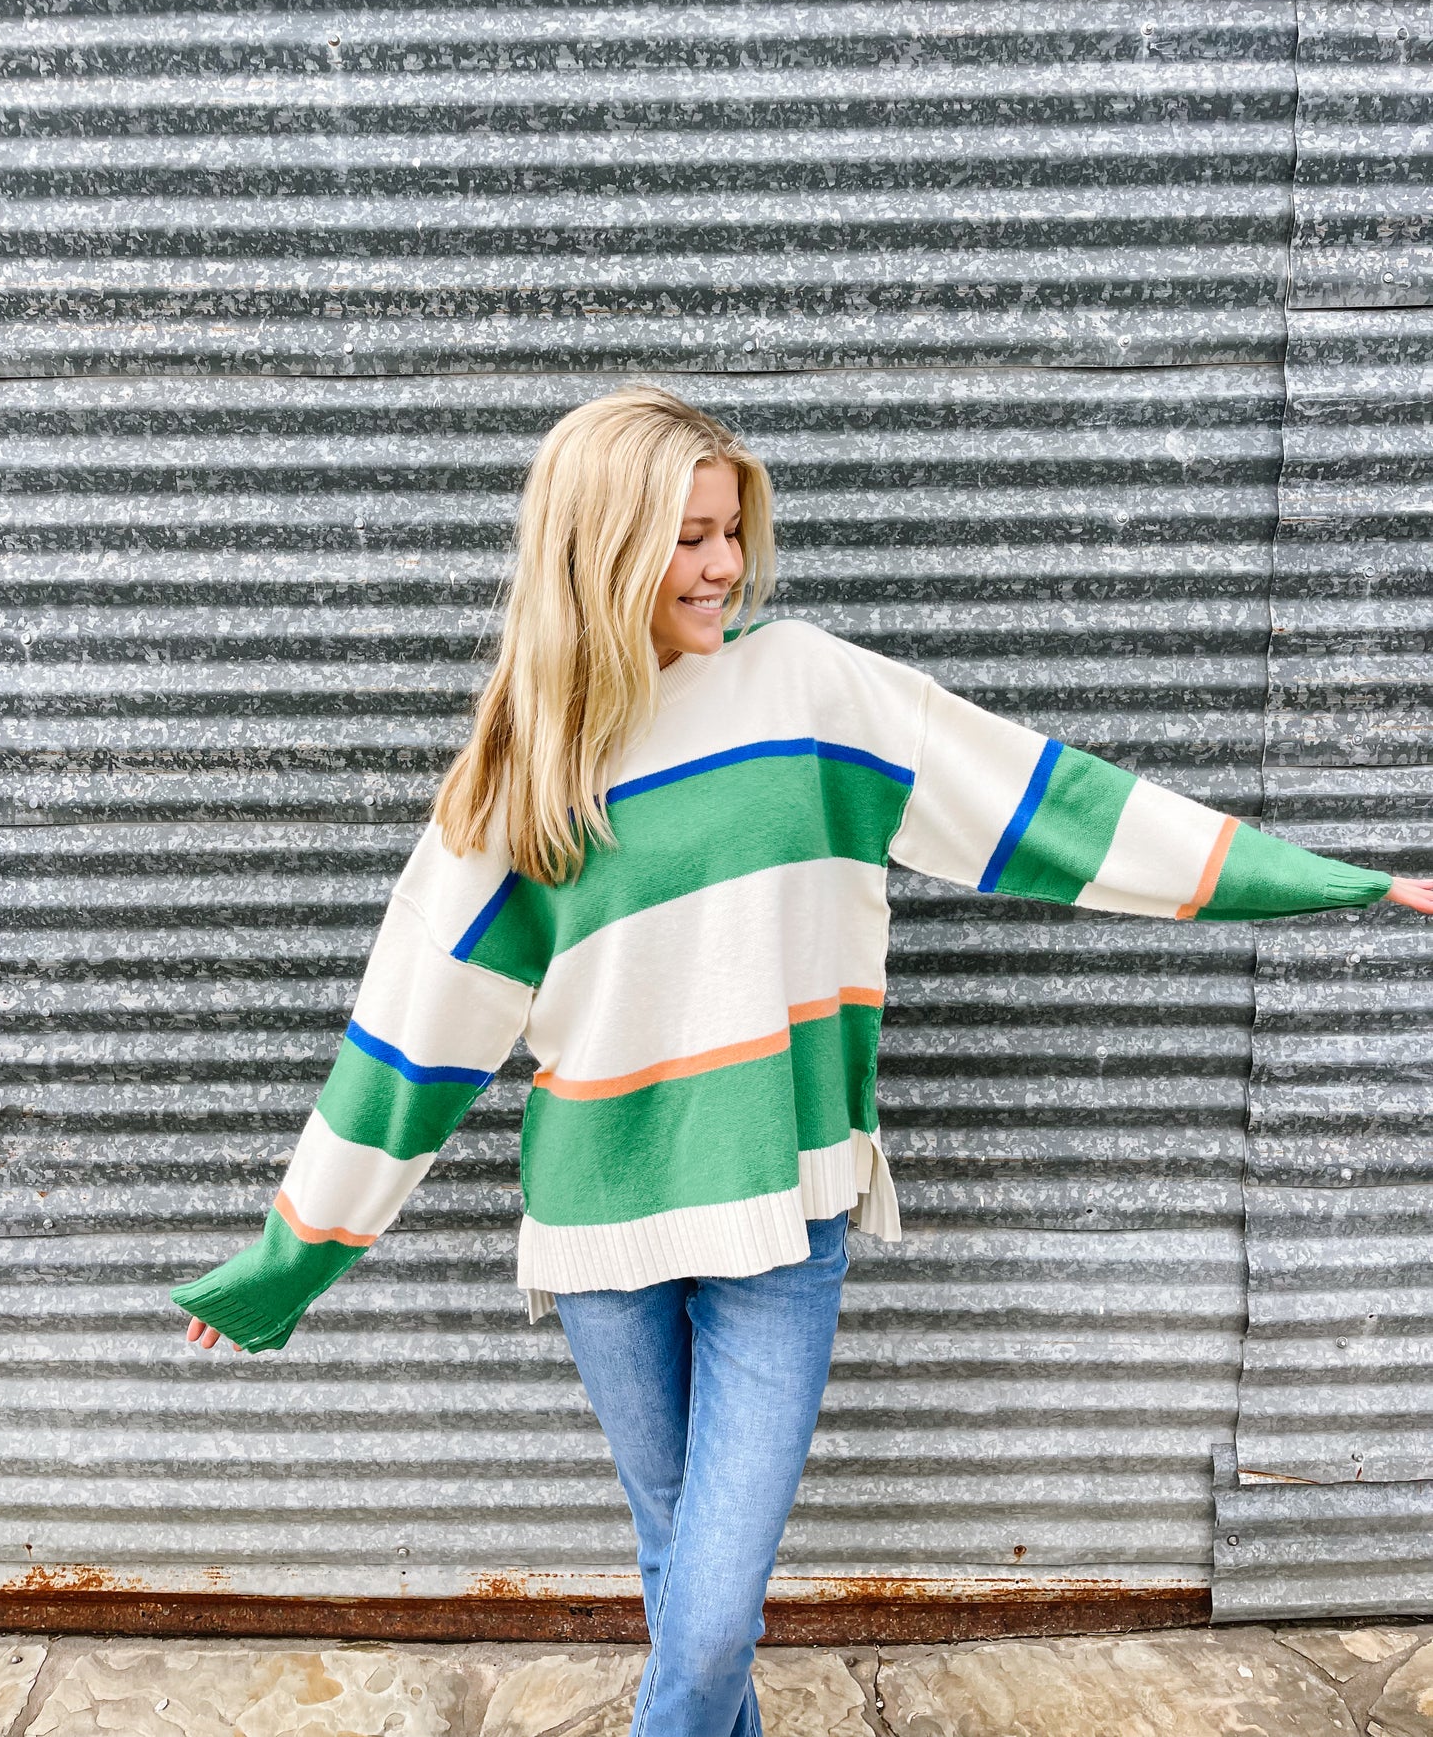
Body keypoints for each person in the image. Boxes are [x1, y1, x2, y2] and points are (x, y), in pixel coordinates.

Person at [171, 385, 1433, 1737]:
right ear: (595, 553)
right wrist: (287, 1259)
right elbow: (406, 1046)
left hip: (780, 1210)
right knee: (680, 1575)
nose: (721, 567)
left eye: (727, 533)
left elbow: (1049, 805)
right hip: (602, 1229)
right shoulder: (521, 776)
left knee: (709, 1611)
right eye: (685, 538)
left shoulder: (812, 692)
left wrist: (1323, 882)